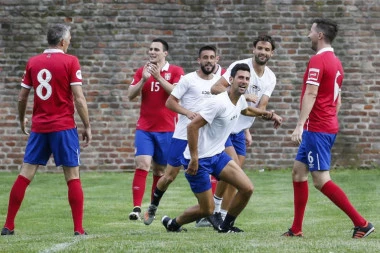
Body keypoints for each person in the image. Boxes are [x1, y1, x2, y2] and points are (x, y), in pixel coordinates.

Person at [161, 63, 282, 233]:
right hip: (198, 160)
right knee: (207, 210)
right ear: (230, 80)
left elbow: (245, 111)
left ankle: (226, 227)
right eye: (240, 77)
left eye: (247, 79)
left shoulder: (239, 99)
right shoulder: (218, 102)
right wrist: (194, 158)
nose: (244, 81)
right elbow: (192, 127)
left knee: (247, 188)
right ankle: (174, 223)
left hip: (217, 155)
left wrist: (267, 114)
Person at [282, 18, 374, 239]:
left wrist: (300, 126)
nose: (308, 35)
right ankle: (296, 229)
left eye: (311, 31)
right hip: (324, 126)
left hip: (317, 129)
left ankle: (362, 223)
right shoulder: (337, 62)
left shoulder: (317, 60)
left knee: (321, 180)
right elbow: (338, 100)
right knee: (298, 173)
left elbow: (311, 93)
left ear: (320, 35)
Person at [1, 24, 92, 236]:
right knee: (72, 176)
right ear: (62, 41)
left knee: (25, 174)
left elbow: (22, 96)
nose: (69, 42)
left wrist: (22, 119)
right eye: (69, 39)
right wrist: (87, 125)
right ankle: (78, 229)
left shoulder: (33, 62)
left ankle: (8, 225)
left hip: (39, 128)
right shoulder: (71, 61)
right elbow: (78, 98)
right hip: (64, 127)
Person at [142, 45, 222, 226]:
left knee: (212, 174)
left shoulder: (220, 82)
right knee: (169, 176)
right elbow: (170, 103)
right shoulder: (188, 79)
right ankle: (153, 205)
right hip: (183, 136)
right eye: (205, 57)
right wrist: (187, 112)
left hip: (207, 138)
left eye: (212, 57)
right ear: (198, 60)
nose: (208, 61)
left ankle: (207, 213)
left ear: (217, 60)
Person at [208, 35, 277, 227]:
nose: (263, 52)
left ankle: (219, 215)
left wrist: (254, 124)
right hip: (225, 126)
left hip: (239, 131)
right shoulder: (240, 65)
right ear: (253, 49)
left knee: (233, 178)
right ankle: (214, 211)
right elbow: (215, 88)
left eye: (267, 49)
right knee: (234, 170)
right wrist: (243, 95)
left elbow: (260, 108)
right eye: (260, 48)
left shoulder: (271, 77)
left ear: (272, 53)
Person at [127, 38, 184, 220]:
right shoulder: (141, 71)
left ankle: (151, 209)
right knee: (142, 163)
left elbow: (177, 94)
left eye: (156, 49)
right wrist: (143, 80)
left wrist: (158, 76)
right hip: (144, 128)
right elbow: (130, 95)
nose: (152, 52)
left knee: (159, 171)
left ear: (165, 53)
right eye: (150, 49)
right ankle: (136, 208)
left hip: (167, 129)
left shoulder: (175, 71)